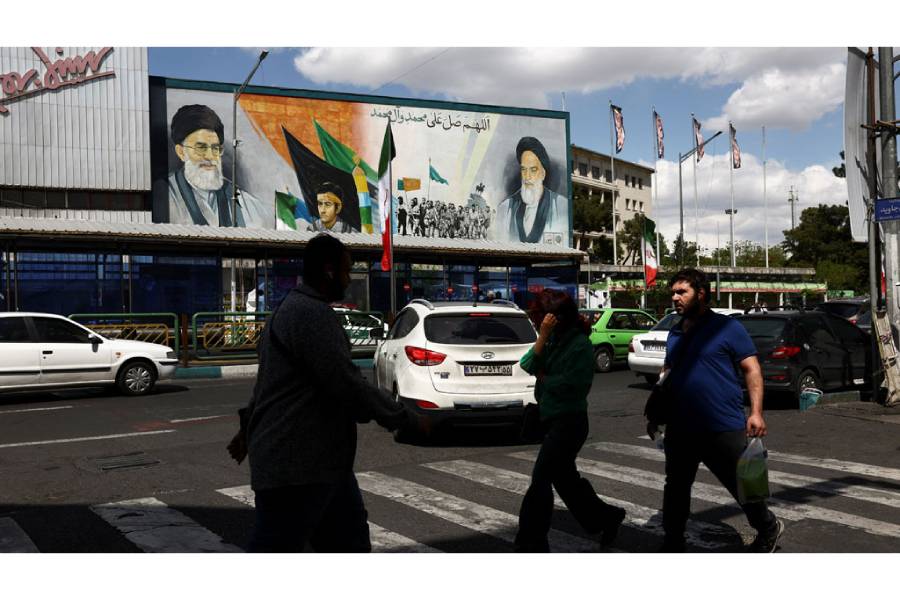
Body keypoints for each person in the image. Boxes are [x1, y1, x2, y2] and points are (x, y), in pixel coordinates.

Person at [227, 234, 409, 552]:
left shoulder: (288, 310)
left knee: (348, 541)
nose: (349, 278)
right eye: (345, 270)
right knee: (279, 546)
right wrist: (400, 418)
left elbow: (265, 385)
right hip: (298, 465)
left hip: (320, 464)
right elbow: (346, 383)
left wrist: (247, 429)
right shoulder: (312, 315)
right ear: (328, 271)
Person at [649, 268, 784, 553]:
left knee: (741, 484)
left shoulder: (727, 327)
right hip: (681, 425)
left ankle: (768, 526)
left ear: (701, 293)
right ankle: (672, 540)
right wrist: (656, 410)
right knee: (675, 487)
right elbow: (669, 372)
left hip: (722, 423)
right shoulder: (674, 332)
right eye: (673, 292)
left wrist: (756, 412)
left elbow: (752, 369)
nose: (675, 298)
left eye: (682, 292)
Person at [514, 289, 627, 552]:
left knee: (540, 480)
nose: (536, 323)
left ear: (554, 318)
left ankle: (531, 542)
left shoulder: (579, 344)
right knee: (565, 481)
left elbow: (575, 385)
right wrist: (542, 337)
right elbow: (528, 364)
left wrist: (545, 378)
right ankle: (607, 517)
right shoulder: (551, 339)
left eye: (540, 319)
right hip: (551, 419)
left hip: (570, 423)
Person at [166, 104, 269, 228]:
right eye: (201, 148)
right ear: (181, 152)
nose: (210, 156)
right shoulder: (164, 196)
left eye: (215, 148)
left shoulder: (244, 202)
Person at [497, 136, 568, 245]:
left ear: (543, 174)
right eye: (523, 169)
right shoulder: (506, 208)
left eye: (533, 170)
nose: (527, 176)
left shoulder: (561, 205)